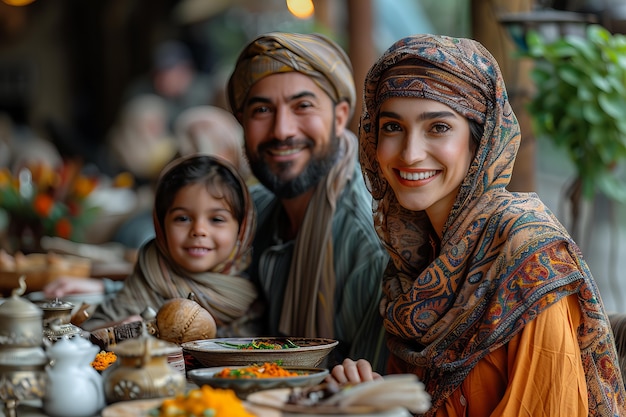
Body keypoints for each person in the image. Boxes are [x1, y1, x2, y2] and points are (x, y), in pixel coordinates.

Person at [327, 34, 626, 417]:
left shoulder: (527, 253)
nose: (410, 153)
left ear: (480, 139)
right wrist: (373, 397)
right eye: (392, 127)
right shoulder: (414, 258)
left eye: (438, 127)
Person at [226, 32, 389, 372]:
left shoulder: (368, 241)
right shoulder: (249, 213)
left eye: (303, 106)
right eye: (261, 109)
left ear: (340, 116)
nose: (282, 130)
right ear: (242, 122)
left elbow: (372, 394)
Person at [79, 154, 260, 338]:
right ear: (161, 225)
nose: (199, 230)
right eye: (182, 218)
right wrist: (119, 330)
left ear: (242, 229)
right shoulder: (149, 276)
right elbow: (89, 335)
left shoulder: (254, 289)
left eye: (216, 219)